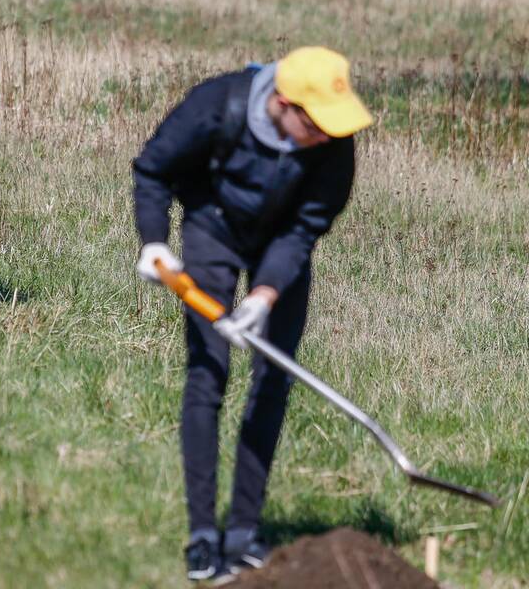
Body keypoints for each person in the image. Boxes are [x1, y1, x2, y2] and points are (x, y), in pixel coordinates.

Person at [133, 47, 373, 582]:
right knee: (208, 371)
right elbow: (152, 171)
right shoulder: (216, 106)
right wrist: (153, 242)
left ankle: (243, 533)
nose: (329, 135)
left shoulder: (333, 146)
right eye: (317, 123)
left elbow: (305, 227)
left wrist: (264, 294)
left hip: (280, 244)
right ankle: (202, 538)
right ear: (284, 105)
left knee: (274, 378)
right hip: (211, 228)